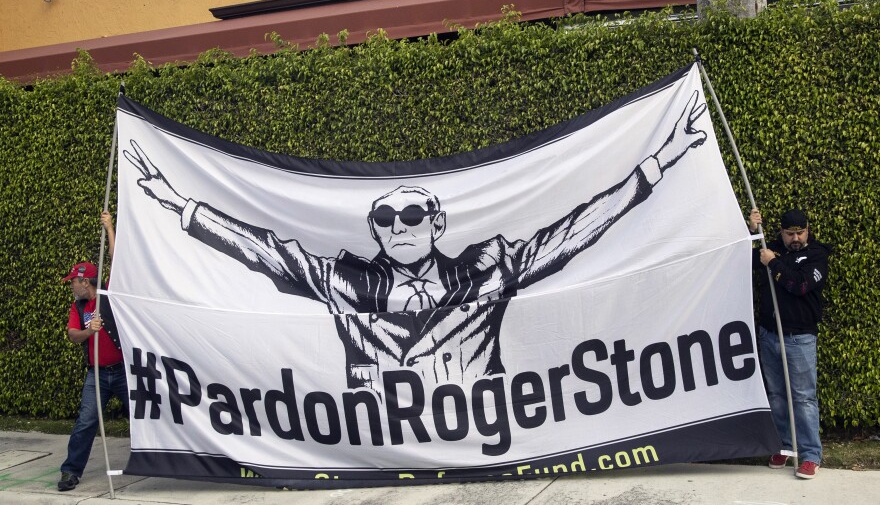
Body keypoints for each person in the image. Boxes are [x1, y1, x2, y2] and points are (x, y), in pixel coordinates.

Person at [124, 92, 709, 391]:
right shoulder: (342, 281)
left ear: (437, 226)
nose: (399, 226)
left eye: (412, 215)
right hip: (376, 435)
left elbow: (574, 231)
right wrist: (179, 203)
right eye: (386, 218)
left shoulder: (487, 271)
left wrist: (658, 162)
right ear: (374, 230)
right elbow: (265, 248)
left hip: (482, 431)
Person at [748, 208, 831, 480]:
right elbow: (747, 261)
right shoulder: (769, 248)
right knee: (776, 396)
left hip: (800, 338)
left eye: (800, 232)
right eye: (790, 233)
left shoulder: (817, 255)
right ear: (781, 233)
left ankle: (810, 455)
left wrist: (773, 263)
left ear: (807, 230)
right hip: (769, 335)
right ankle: (785, 447)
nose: (796, 238)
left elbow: (800, 285)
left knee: (804, 397)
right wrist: (752, 232)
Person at [57, 212, 128, 492]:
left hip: (123, 372)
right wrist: (90, 331)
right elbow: (73, 335)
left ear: (85, 281)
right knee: (86, 422)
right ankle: (71, 472)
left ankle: (162, 460)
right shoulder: (78, 308)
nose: (71, 286)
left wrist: (109, 227)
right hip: (96, 376)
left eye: (73, 281)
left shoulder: (109, 295)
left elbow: (117, 260)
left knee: (143, 416)